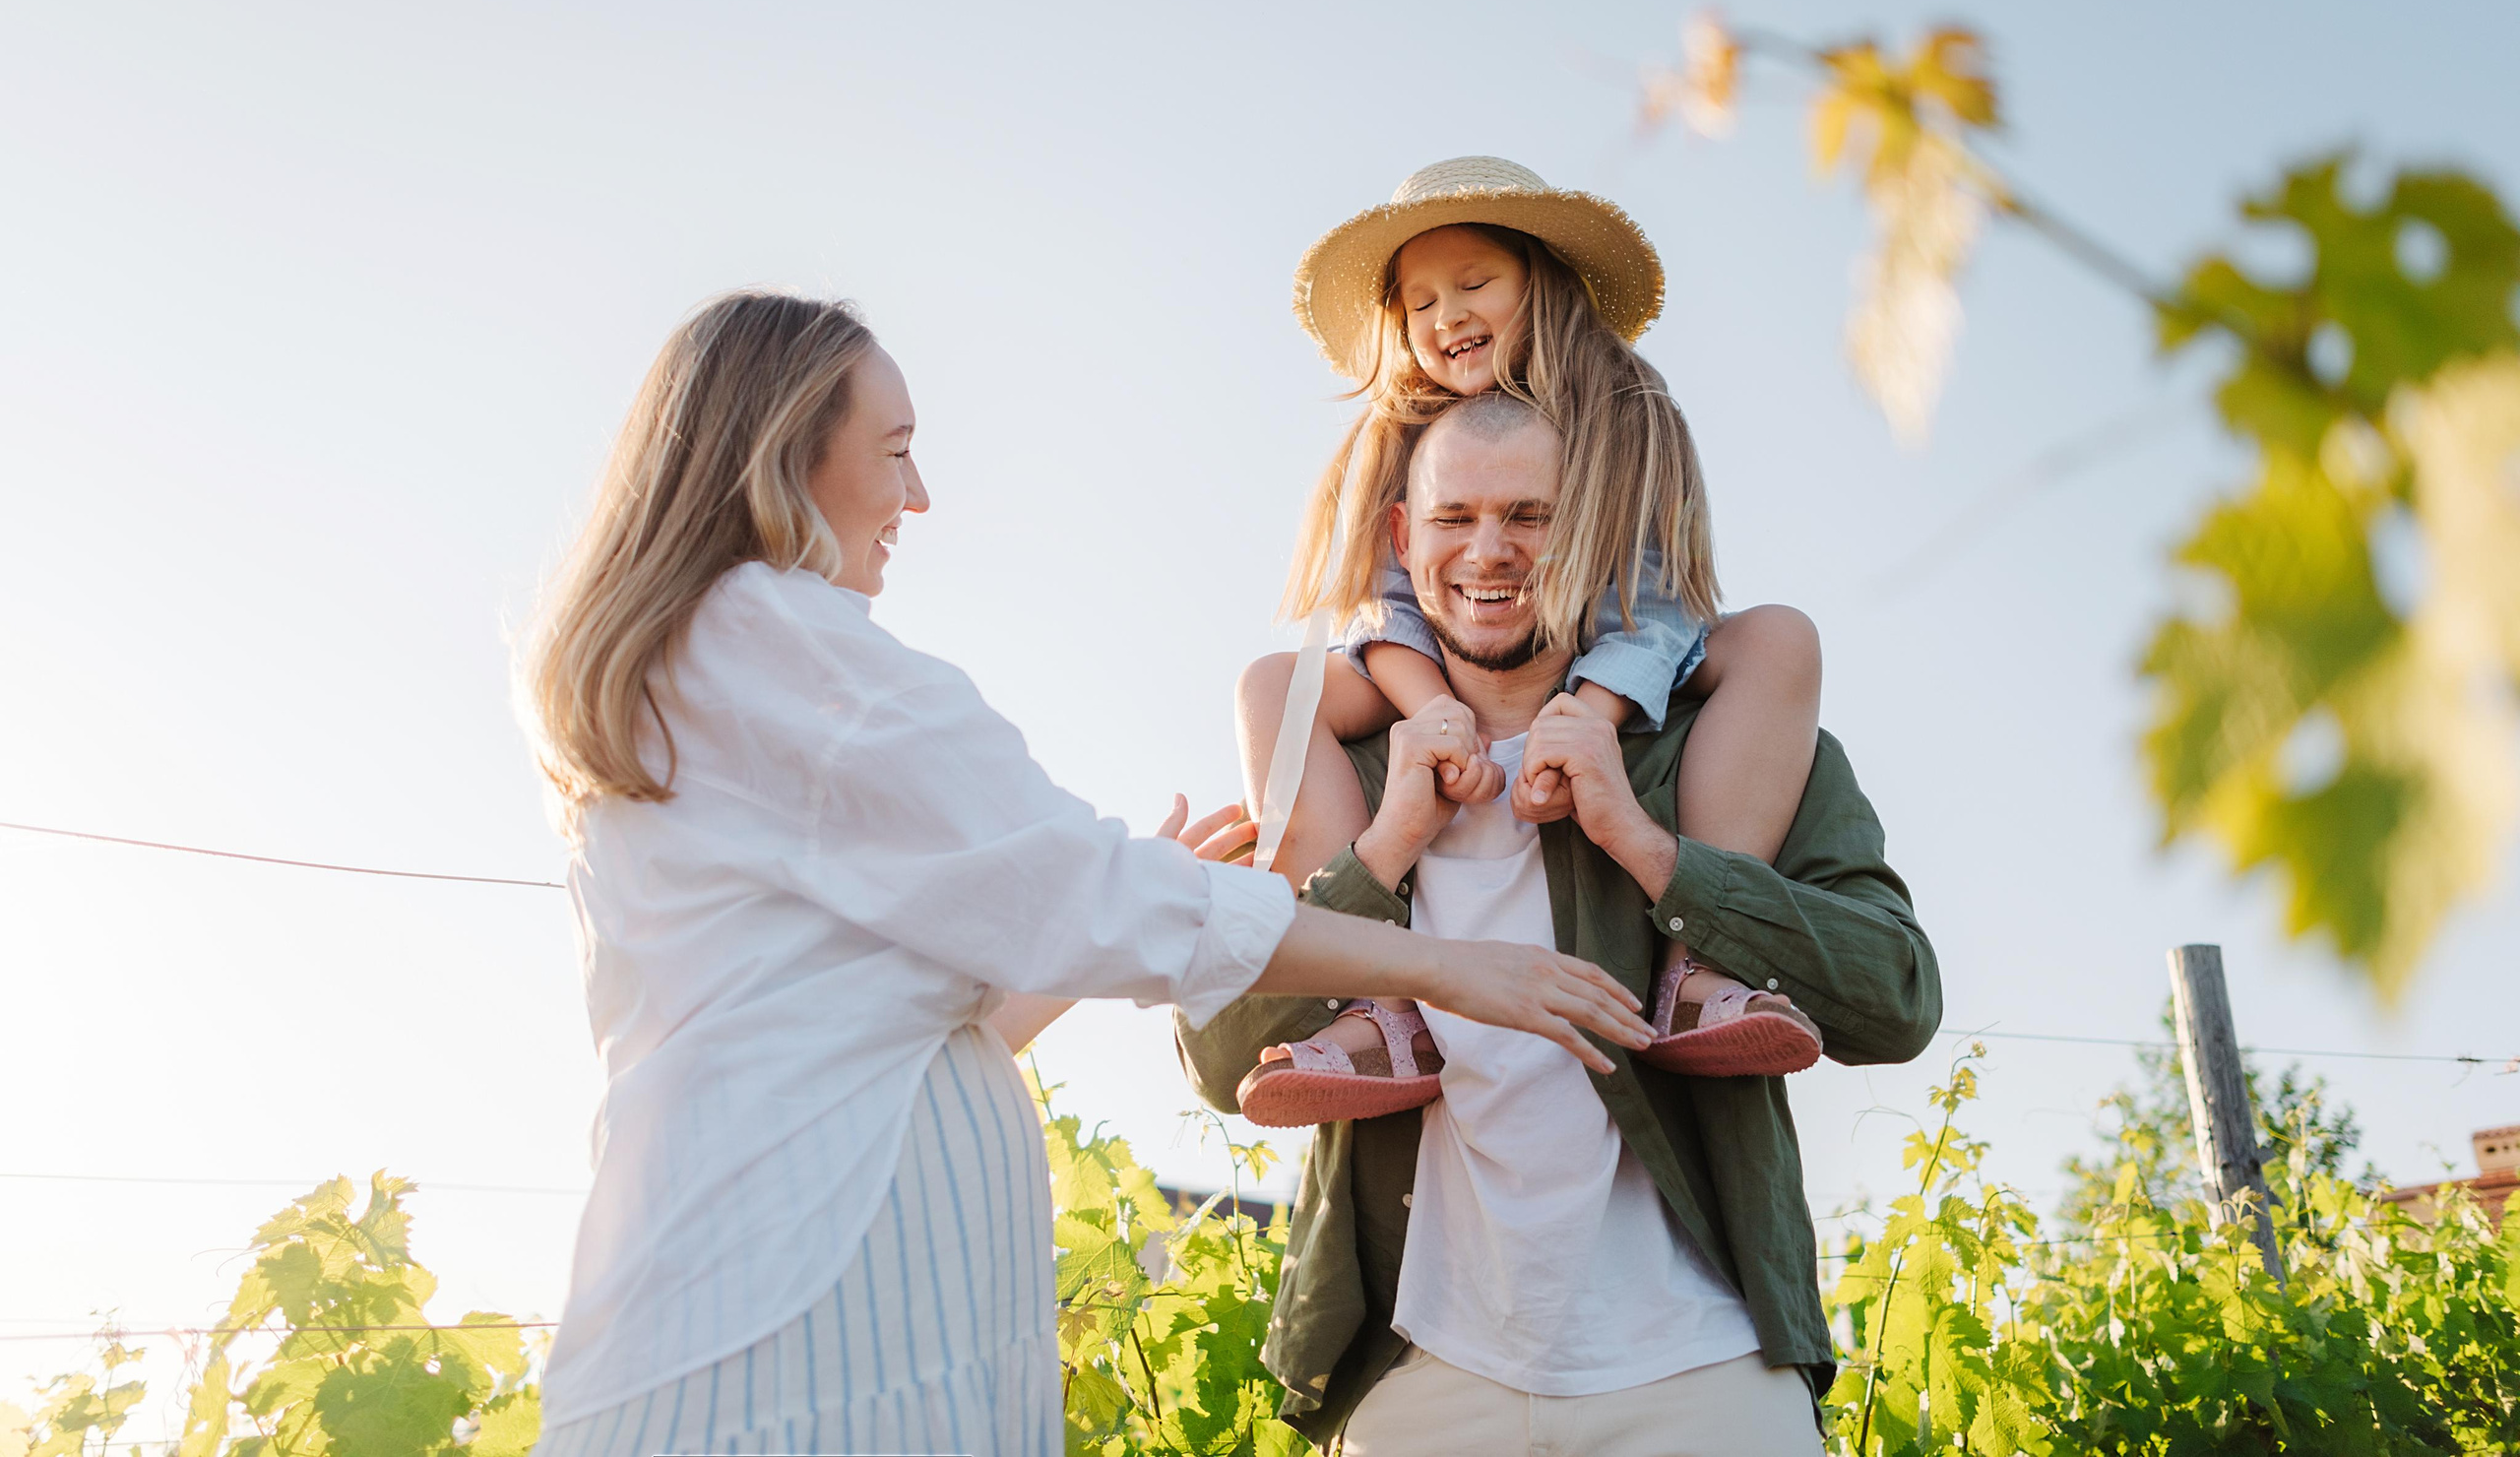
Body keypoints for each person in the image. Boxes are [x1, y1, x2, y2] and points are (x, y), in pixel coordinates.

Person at [517, 291, 1658, 1457]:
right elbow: (1090, 897)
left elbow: (894, 1022)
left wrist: (1113, 904)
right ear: (787, 448)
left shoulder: (699, 677)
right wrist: (1453, 969)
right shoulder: (773, 640)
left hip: (783, 1320)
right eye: (897, 452)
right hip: (801, 1336)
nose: (918, 496)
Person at [1177, 391, 1942, 1454]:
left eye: (1530, 515)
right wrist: (1385, 845)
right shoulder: (1341, 768)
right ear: (1405, 535)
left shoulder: (1724, 745)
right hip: (1419, 1369)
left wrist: (1649, 845)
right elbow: (1222, 1058)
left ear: (1591, 528)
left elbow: (1897, 998)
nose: (1488, 551)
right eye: (1454, 517)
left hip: (1705, 1366)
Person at [1234, 157, 1828, 1127]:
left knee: (1777, 640)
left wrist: (1586, 712)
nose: (1446, 315)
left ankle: (1701, 961)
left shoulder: (1627, 412)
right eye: (1420, 299)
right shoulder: (1402, 434)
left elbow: (1661, 592)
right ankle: (1372, 1000)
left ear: (1540, 284)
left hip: (1617, 648)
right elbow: (1379, 603)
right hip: (1441, 661)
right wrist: (1430, 706)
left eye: (1475, 284)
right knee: (1274, 687)